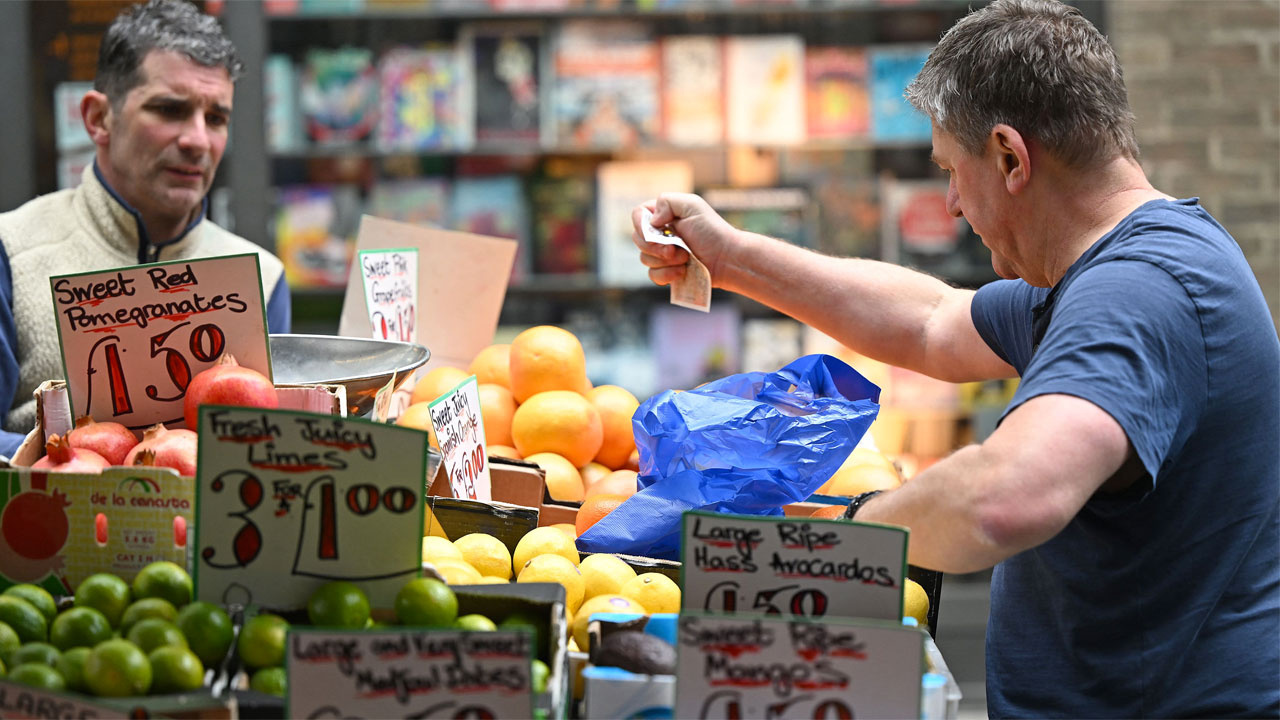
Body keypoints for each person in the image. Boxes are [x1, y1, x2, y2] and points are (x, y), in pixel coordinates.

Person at [632, 0, 1278, 716]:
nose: (951, 206)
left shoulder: (1138, 292)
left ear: (1009, 156)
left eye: (951, 169)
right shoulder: (1120, 269)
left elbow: (1004, 497)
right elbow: (931, 322)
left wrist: (818, 545)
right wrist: (731, 257)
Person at [0, 0, 291, 458]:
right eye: (170, 110)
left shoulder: (262, 277)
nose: (198, 140)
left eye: (216, 118)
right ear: (98, 119)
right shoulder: (12, 249)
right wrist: (79, 461)